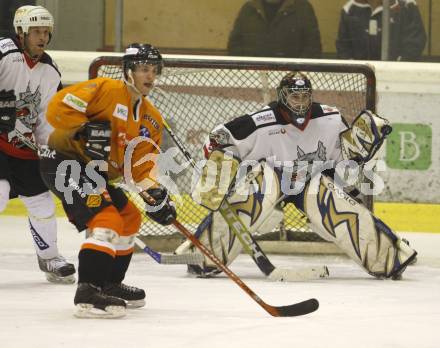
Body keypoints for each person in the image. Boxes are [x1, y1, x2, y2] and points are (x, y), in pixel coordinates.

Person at [178, 71, 417, 280]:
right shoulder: (258, 122)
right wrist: (219, 171)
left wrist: (359, 148)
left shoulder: (330, 118)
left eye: (304, 97)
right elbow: (218, 140)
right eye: (295, 96)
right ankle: (202, 256)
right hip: (269, 177)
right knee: (251, 199)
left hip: (311, 180)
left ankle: (388, 257)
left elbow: (344, 160)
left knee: (339, 208)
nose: (301, 103)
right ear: (283, 97)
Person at [39, 43, 177, 318]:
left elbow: (141, 167)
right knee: (107, 218)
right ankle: (88, 291)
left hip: (94, 172)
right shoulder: (104, 89)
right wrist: (82, 129)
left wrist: (156, 193)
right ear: (127, 71)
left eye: (153, 70)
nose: (149, 76)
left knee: (129, 217)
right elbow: (57, 106)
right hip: (63, 160)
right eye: (143, 69)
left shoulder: (151, 118)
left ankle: (109, 283)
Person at [0, 5, 76, 284]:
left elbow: (44, 117)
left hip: (21, 146)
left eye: (46, 32)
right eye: (36, 32)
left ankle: (50, 257)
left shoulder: (49, 70)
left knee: (42, 203)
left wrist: (48, 148)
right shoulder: (3, 53)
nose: (42, 37)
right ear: (21, 32)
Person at [336, 0, 427, 61]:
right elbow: (343, 47)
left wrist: (397, 68)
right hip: (361, 79)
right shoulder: (350, 9)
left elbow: (415, 43)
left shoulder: (406, 5)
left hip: (398, 78)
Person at [227, 0, 322, 58]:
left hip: (291, 81)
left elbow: (313, 48)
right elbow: (234, 45)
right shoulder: (248, 9)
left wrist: (295, 73)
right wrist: (247, 71)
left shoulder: (303, 9)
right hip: (252, 78)